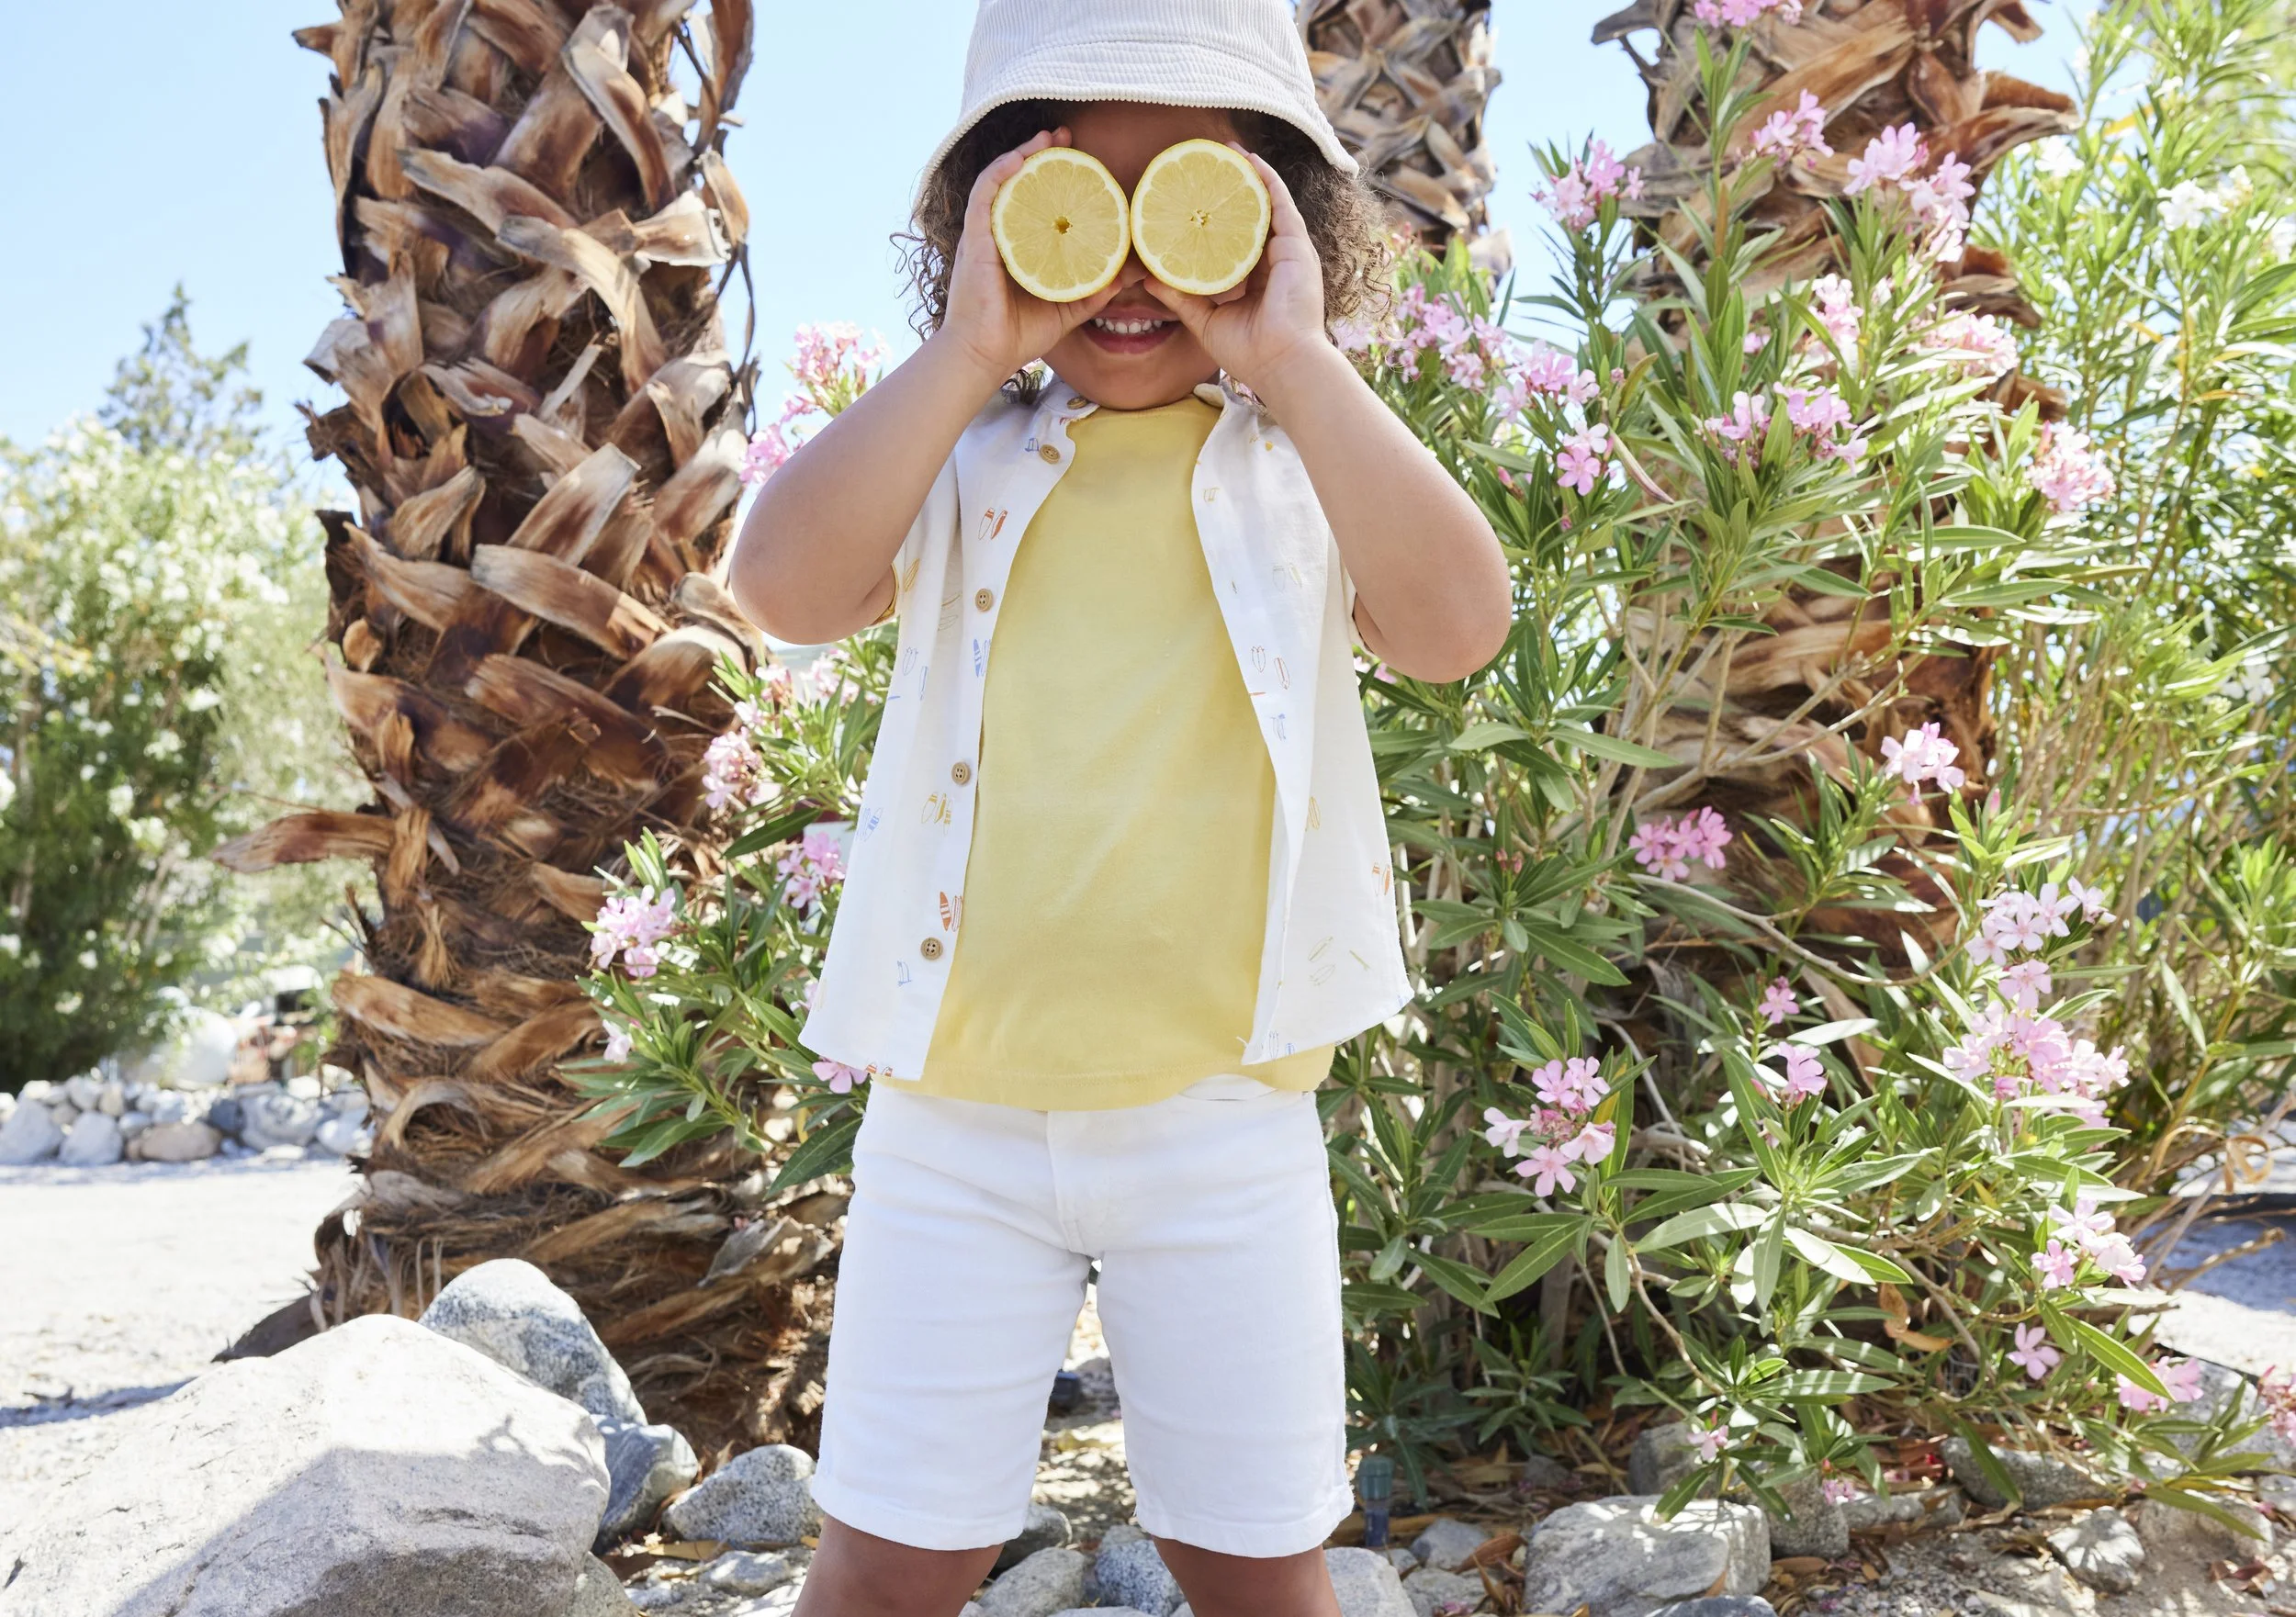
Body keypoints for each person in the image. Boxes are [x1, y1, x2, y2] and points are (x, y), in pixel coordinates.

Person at [729, 3, 1510, 1611]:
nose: (1135, 261)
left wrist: (1293, 357)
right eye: (1072, 201)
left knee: (1257, 1564)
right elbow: (783, 583)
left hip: (1222, 1115)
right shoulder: (964, 451)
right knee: (888, 1558)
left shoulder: (1301, 463)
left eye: (1197, 204)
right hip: (955, 1119)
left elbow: (1453, 629)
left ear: (1287, 224)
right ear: (985, 226)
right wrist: (964, 353)